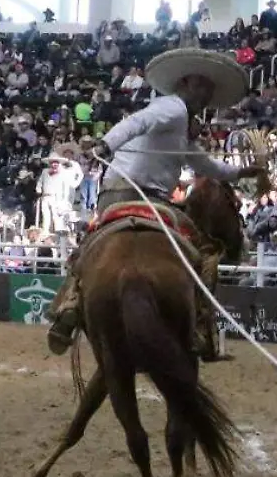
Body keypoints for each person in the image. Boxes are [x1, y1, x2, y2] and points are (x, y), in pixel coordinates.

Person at [44, 48, 265, 359]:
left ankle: (69, 305)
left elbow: (205, 165)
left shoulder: (181, 126)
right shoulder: (172, 108)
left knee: (96, 242)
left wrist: (240, 171)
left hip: (137, 194)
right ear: (186, 83)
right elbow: (136, 122)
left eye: (209, 91)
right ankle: (200, 327)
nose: (206, 95)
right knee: (201, 252)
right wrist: (107, 143)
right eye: (202, 87)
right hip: (131, 190)